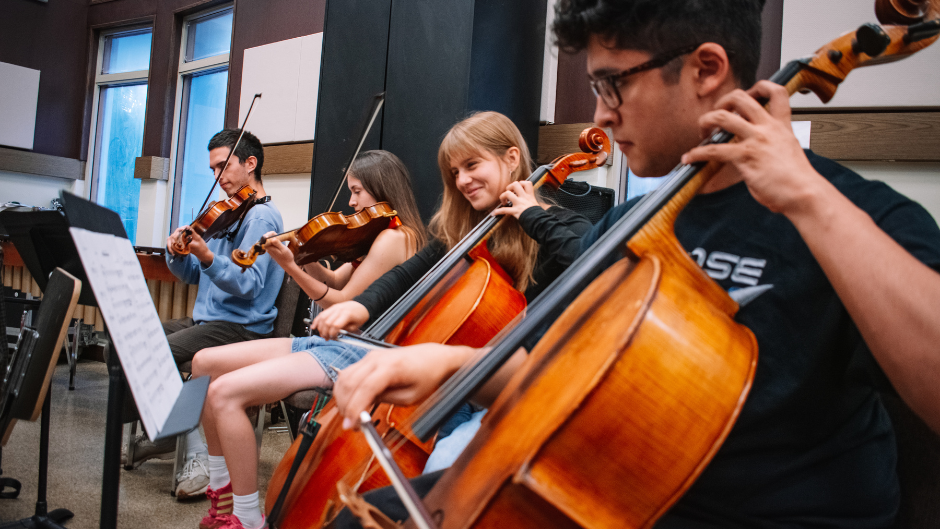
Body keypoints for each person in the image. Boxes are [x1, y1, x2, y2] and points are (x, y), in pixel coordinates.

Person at [328, 1, 940, 528]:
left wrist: (807, 199)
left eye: (611, 84)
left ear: (706, 70)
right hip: (609, 495)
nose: (598, 115)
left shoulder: (857, 214)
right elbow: (556, 375)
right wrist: (447, 363)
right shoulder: (628, 227)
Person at [192, 111, 592, 529]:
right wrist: (360, 307)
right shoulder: (463, 230)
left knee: (441, 489)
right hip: (410, 359)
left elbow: (592, 256)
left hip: (486, 388)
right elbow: (405, 274)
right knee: (215, 374)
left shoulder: (557, 226)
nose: (462, 181)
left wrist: (531, 215)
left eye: (472, 166)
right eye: (454, 172)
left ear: (512, 159)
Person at [125, 129, 285, 499]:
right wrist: (178, 254)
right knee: (124, 346)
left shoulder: (260, 218)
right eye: (213, 169)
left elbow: (249, 286)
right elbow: (194, 276)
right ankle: (174, 430)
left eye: (224, 166)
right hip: (208, 321)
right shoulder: (227, 215)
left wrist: (208, 255)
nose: (218, 176)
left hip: (240, 328)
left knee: (157, 353)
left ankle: (193, 448)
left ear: (250, 163)